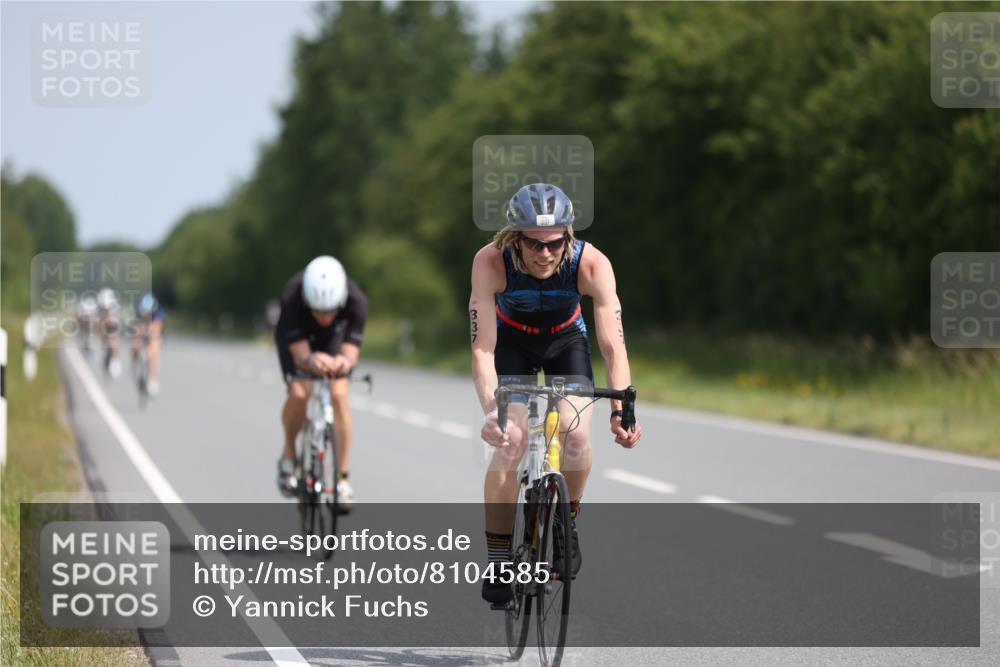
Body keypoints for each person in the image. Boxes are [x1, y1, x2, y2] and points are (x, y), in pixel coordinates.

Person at [469, 183, 643, 605]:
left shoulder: (591, 264)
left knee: (576, 435)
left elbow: (612, 346)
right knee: (511, 442)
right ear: (515, 238)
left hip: (566, 342)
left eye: (554, 244)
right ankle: (499, 560)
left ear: (567, 237)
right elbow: (483, 347)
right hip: (513, 342)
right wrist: (493, 411)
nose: (544, 254)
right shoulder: (491, 261)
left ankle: (567, 522)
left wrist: (621, 409)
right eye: (534, 244)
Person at [274, 256, 368, 508]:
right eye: (318, 311)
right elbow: (301, 356)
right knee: (299, 392)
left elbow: (350, 354)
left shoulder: (357, 302)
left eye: (330, 311)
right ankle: (289, 453)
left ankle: (343, 481)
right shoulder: (293, 297)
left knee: (339, 394)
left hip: (334, 340)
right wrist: (310, 359)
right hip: (298, 338)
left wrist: (344, 363)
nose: (324, 317)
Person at [131, 292, 166, 397]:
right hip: (142, 330)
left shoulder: (158, 313)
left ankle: (152, 380)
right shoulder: (138, 312)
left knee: (154, 352)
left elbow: (157, 329)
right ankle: (135, 361)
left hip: (154, 333)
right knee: (135, 344)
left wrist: (152, 337)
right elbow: (137, 328)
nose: (146, 314)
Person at [96, 287, 123, 378]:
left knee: (114, 338)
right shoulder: (99, 308)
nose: (106, 309)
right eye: (104, 308)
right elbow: (98, 323)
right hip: (103, 324)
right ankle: (101, 350)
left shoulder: (115, 307)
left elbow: (117, 322)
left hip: (113, 324)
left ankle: (115, 359)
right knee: (101, 331)